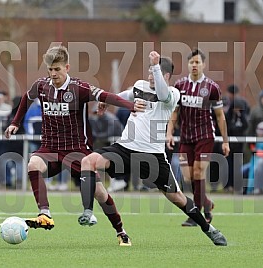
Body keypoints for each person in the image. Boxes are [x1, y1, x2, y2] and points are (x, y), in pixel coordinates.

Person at [78, 51, 227, 246]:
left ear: (165, 76)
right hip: (124, 148)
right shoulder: (140, 85)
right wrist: (107, 101)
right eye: (149, 71)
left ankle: (209, 229)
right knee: (87, 161)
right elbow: (125, 94)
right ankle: (88, 212)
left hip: (152, 157)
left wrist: (156, 66)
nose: (150, 75)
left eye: (154, 71)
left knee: (178, 198)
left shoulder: (173, 93)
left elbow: (163, 95)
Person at [4, 45, 142, 246]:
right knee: (33, 164)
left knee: (100, 193)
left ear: (66, 67)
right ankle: (45, 214)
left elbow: (105, 96)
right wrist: (15, 122)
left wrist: (130, 106)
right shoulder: (42, 86)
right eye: (50, 69)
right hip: (50, 148)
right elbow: (26, 98)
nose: (53, 74)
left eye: (57, 69)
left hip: (78, 150)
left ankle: (121, 231)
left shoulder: (79, 88)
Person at [166, 48, 230, 227]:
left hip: (205, 136)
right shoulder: (180, 86)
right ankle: (207, 203)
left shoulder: (212, 87)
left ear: (203, 65)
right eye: (191, 62)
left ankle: (197, 213)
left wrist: (225, 141)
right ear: (188, 64)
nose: (194, 65)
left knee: (198, 172)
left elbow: (220, 116)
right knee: (188, 177)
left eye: (197, 62)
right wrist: (169, 133)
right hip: (186, 137)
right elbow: (174, 112)